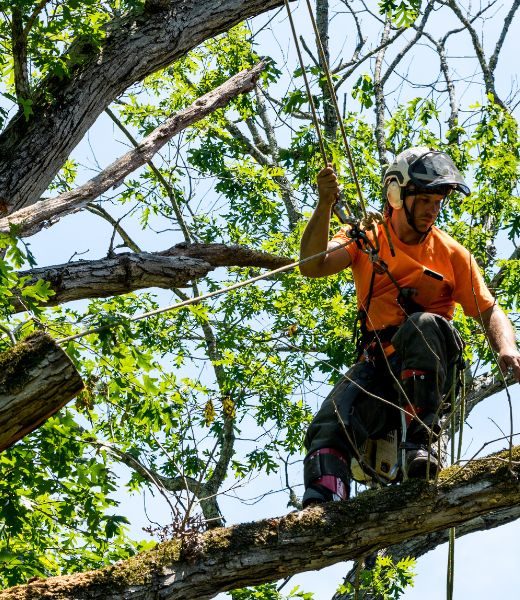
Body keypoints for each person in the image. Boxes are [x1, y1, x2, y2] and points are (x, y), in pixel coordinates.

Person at [299, 146, 520, 508]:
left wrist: (506, 347)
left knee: (422, 325)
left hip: (430, 368)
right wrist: (324, 204)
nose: (434, 210)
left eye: (439, 202)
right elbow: (312, 265)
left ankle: (422, 443)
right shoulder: (367, 236)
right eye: (426, 200)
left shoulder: (451, 253)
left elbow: (489, 311)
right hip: (381, 367)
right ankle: (324, 503)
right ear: (397, 194)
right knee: (330, 421)